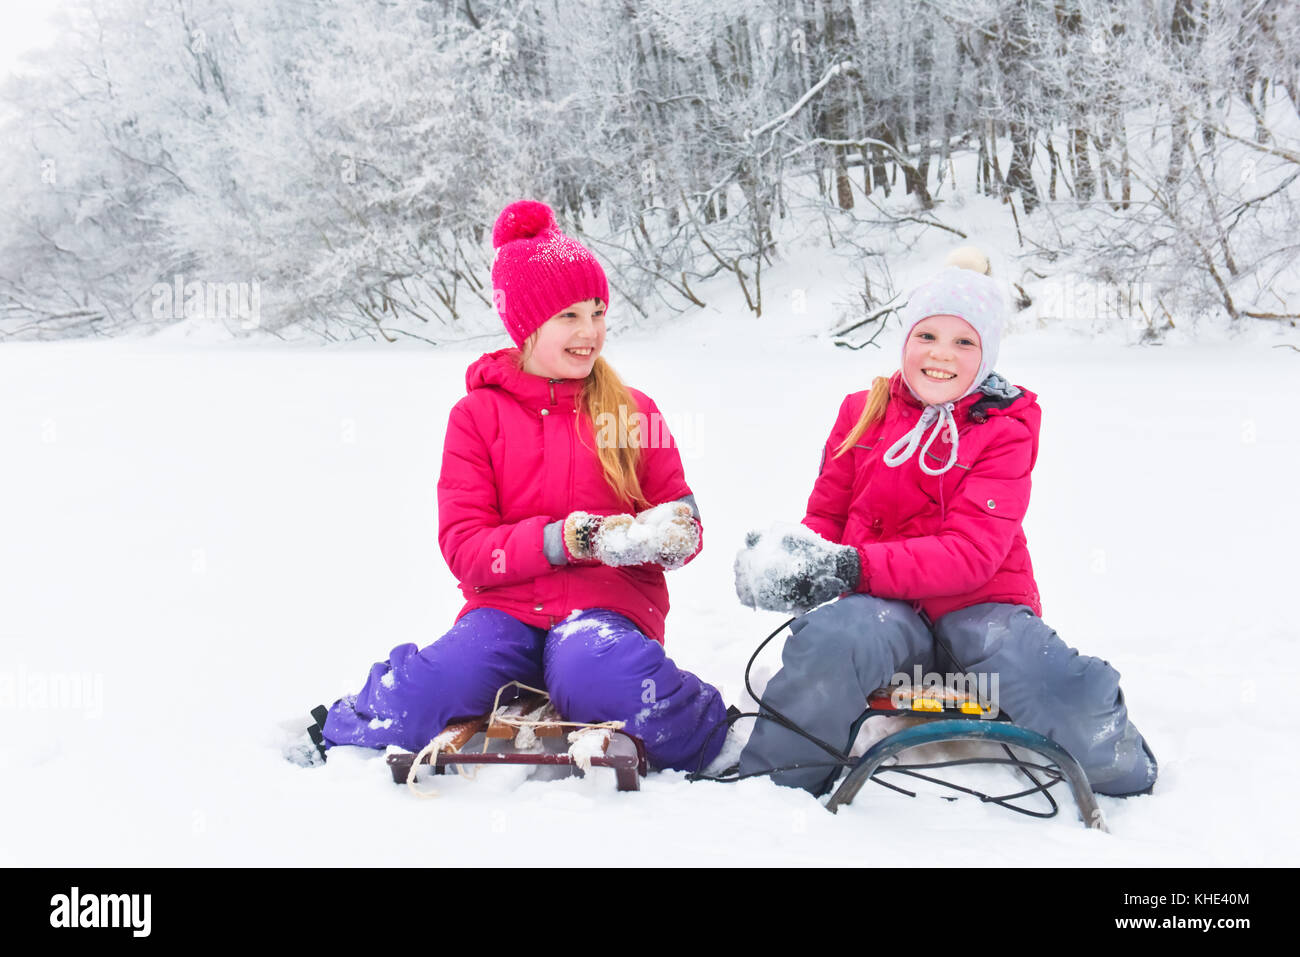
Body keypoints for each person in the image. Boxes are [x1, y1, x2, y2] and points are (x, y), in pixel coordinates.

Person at [307, 200, 727, 772]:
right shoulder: (477, 416)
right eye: (569, 316)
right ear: (527, 325)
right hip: (505, 612)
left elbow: (681, 516)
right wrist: (566, 540)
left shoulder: (632, 411)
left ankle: (705, 722)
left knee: (600, 676)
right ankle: (363, 713)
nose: (590, 333)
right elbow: (466, 548)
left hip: (606, 610)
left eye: (598, 311)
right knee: (435, 687)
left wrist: (673, 531)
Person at [732, 254, 1158, 798]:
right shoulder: (863, 410)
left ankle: (1122, 770)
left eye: (964, 342)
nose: (940, 354)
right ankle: (772, 791)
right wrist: (796, 563)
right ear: (906, 339)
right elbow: (828, 517)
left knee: (1057, 682)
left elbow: (972, 553)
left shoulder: (1007, 428)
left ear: (987, 356)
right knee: (832, 640)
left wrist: (851, 566)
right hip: (881, 609)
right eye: (928, 334)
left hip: (980, 607)